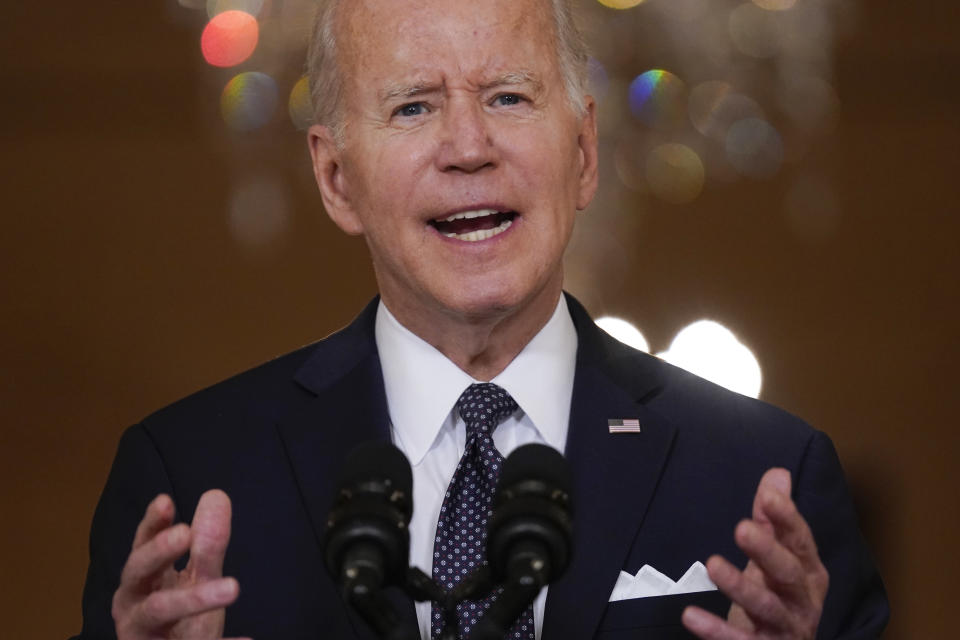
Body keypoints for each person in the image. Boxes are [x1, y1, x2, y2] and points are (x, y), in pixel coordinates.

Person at [73, 0, 888, 638]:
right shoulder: (187, 484)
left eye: (508, 96)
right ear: (335, 178)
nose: (468, 146)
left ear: (583, 153)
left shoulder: (764, 479)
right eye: (413, 108)